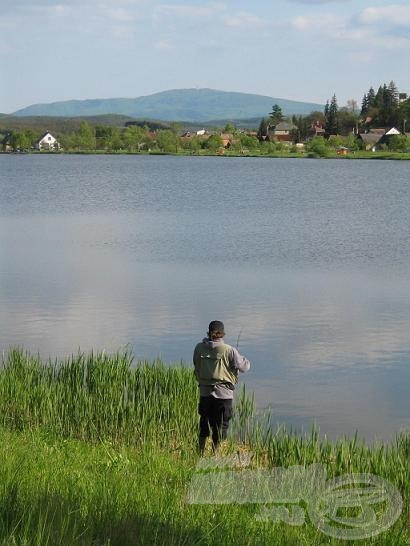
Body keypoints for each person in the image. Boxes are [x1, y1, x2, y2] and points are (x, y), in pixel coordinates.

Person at [193, 320, 251, 454]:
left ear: (208, 332)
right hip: (224, 395)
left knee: (204, 423)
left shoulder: (199, 348)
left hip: (205, 392)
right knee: (221, 426)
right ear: (222, 334)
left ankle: (200, 452)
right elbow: (244, 367)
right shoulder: (229, 350)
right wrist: (242, 358)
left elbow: (196, 363)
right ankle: (215, 453)